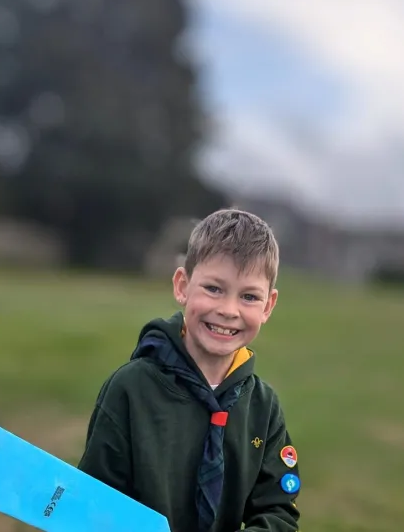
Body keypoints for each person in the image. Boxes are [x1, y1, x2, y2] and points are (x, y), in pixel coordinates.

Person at [78, 208, 301, 532]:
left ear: (268, 306)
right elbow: (93, 507)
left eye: (249, 296)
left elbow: (278, 511)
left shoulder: (264, 408)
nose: (228, 310)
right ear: (182, 285)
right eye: (214, 289)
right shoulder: (130, 390)